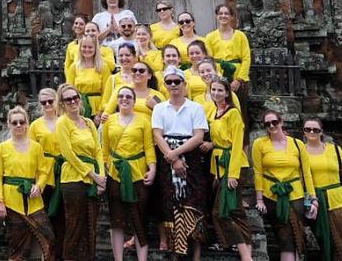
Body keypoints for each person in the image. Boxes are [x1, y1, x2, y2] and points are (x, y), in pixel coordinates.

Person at [151, 66, 210, 261]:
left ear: (184, 84)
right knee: (171, 203)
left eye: (177, 81)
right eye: (169, 82)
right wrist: (171, 156)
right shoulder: (160, 108)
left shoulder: (196, 107)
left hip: (190, 155)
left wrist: (176, 154)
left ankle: (196, 254)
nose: (174, 85)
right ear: (165, 85)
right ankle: (176, 251)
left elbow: (199, 136)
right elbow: (157, 134)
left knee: (195, 201)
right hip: (167, 154)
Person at [252, 110, 317, 261]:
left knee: (295, 235)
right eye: (267, 124)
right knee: (284, 238)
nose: (272, 126)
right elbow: (258, 172)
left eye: (274, 122)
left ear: (281, 122)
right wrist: (259, 199)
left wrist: (313, 198)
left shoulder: (297, 144)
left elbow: (306, 173)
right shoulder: (259, 144)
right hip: (272, 195)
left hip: (296, 195)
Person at [0, 106, 56, 261]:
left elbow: (43, 171)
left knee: (48, 237)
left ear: (27, 123)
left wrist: (39, 185)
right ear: (9, 124)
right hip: (11, 200)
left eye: (21, 122)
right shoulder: (2, 148)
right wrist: (0, 201)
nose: (18, 125)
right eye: (14, 122)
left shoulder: (36, 147)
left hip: (34, 199)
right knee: (17, 244)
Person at [103, 87, 156, 261]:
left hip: (138, 172)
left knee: (139, 216)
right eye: (121, 96)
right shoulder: (109, 121)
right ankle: (118, 258)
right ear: (117, 100)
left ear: (134, 101)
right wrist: (104, 171)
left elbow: (148, 147)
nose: (124, 99)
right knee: (116, 219)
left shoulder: (143, 121)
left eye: (128, 96)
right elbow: (105, 150)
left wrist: (152, 168)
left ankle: (142, 259)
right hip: (115, 173)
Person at [55, 83, 106, 261]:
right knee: (75, 224)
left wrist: (101, 177)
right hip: (73, 179)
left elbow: (98, 151)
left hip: (93, 178)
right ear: (62, 103)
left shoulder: (89, 122)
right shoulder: (62, 123)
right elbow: (68, 154)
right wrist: (92, 175)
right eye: (68, 99)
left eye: (75, 97)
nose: (73, 101)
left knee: (90, 223)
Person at [203, 79, 253, 261]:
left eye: (219, 90)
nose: (216, 93)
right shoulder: (215, 111)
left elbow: (237, 142)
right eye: (213, 90)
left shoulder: (232, 113)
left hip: (233, 165)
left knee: (223, 211)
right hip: (218, 166)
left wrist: (233, 174)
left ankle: (246, 255)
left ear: (227, 93)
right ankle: (245, 251)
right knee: (234, 211)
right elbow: (221, 138)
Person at [301, 117, 342, 261]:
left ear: (321, 132)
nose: (311, 132)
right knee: (326, 242)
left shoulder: (335, 150)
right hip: (317, 203)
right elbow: (304, 179)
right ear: (304, 132)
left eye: (315, 129)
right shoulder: (301, 153)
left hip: (339, 200)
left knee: (341, 243)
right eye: (308, 129)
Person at [30, 88, 66, 247]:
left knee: (63, 212)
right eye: (43, 102)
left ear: (57, 100)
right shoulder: (35, 126)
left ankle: (61, 250)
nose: (47, 104)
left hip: (64, 169)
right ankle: (48, 250)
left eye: (50, 101)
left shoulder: (65, 121)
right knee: (46, 212)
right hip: (44, 172)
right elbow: (31, 152)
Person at [204, 4, 252, 94]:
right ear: (217, 16)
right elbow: (209, 60)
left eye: (226, 13)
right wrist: (219, 79)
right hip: (217, 76)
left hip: (237, 76)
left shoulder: (240, 36)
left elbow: (246, 58)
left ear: (231, 17)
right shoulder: (210, 37)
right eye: (220, 13)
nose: (223, 16)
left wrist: (238, 79)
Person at [66, 36, 112, 117]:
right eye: (84, 47)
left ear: (95, 49)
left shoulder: (103, 67)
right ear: (80, 48)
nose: (87, 49)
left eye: (90, 47)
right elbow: (69, 90)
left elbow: (106, 92)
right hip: (79, 107)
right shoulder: (74, 67)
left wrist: (100, 112)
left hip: (97, 108)